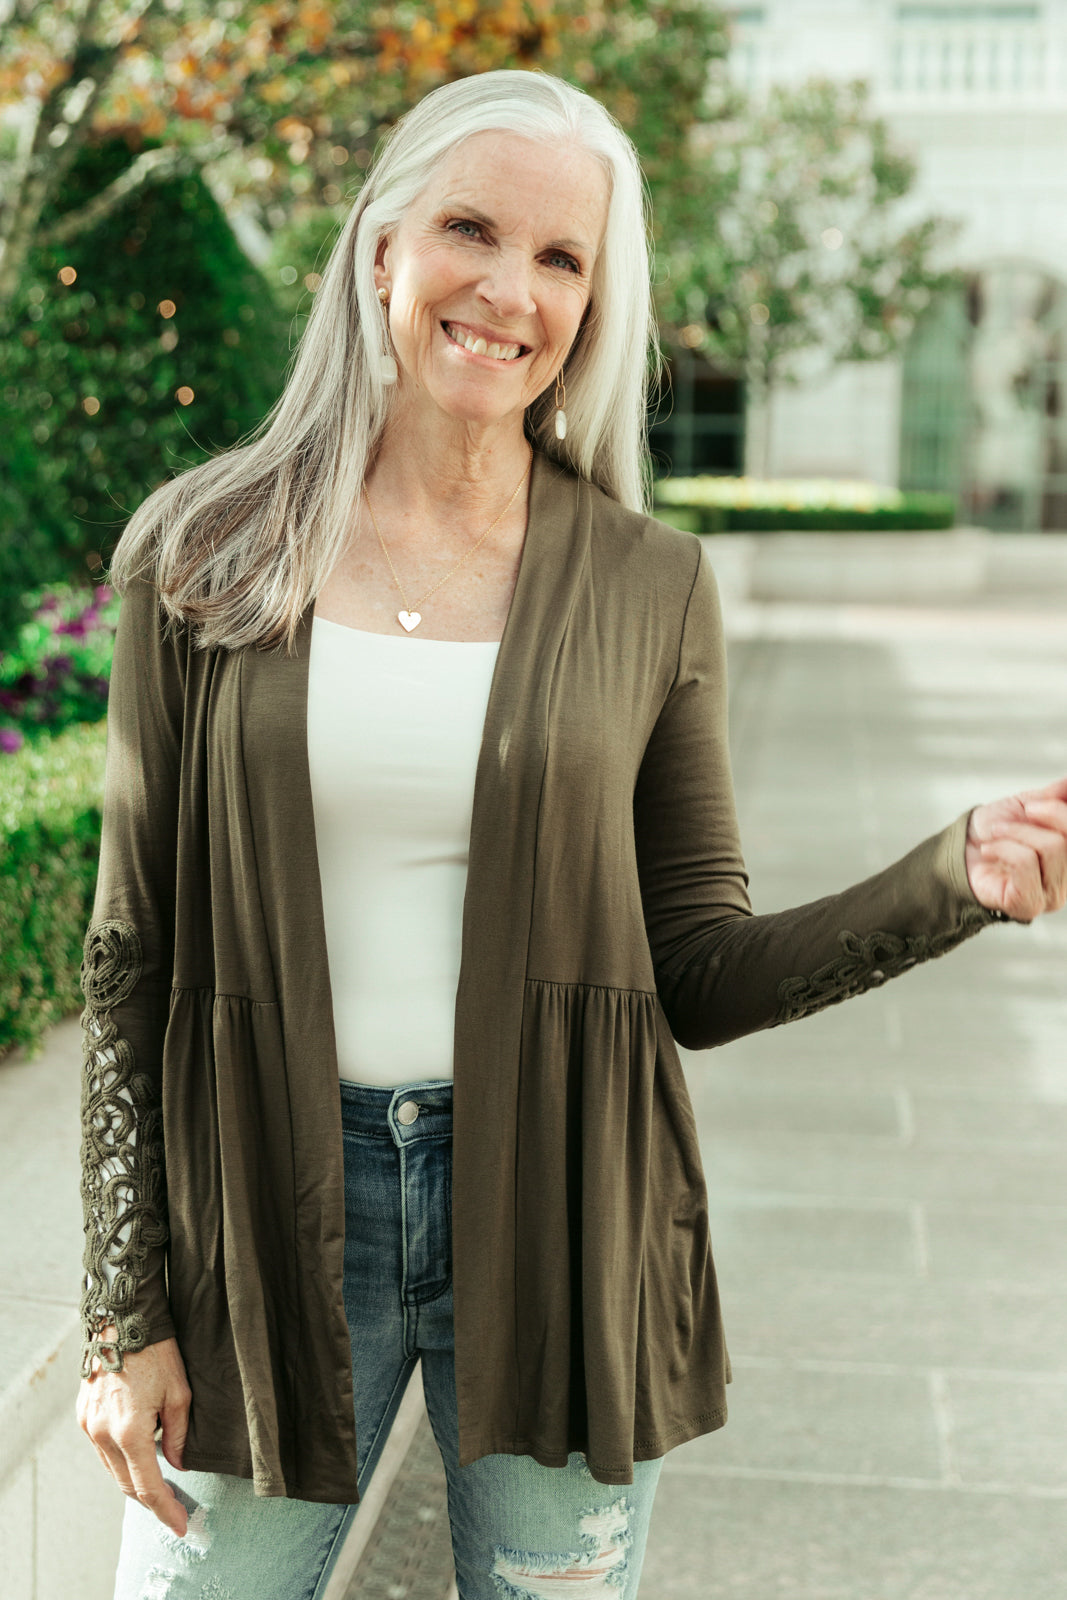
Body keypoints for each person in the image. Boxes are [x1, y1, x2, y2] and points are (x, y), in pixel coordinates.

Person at [75, 69, 1067, 1600]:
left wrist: (954, 879)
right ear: (384, 248)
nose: (510, 291)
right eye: (471, 230)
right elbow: (129, 955)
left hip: (565, 1219)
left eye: (561, 258)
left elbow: (701, 971)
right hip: (257, 1226)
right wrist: (120, 1312)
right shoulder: (205, 552)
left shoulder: (647, 586)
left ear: (596, 306)